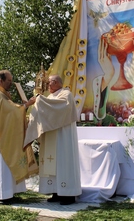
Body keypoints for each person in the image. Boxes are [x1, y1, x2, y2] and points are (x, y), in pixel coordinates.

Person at [24, 74, 81, 205]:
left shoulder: (66, 94)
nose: (47, 85)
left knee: (63, 163)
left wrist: (40, 99)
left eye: (48, 82)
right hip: (51, 137)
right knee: (53, 165)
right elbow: (45, 111)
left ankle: (68, 195)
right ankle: (55, 191)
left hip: (63, 138)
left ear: (55, 82)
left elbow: (58, 108)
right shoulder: (50, 97)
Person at [0, 70, 38, 205]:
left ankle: (10, 192)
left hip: (6, 134)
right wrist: (26, 105)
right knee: (3, 163)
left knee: (9, 163)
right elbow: (10, 112)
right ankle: (3, 195)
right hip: (2, 137)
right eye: (8, 81)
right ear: (0, 81)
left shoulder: (3, 95)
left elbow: (11, 111)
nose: (11, 83)